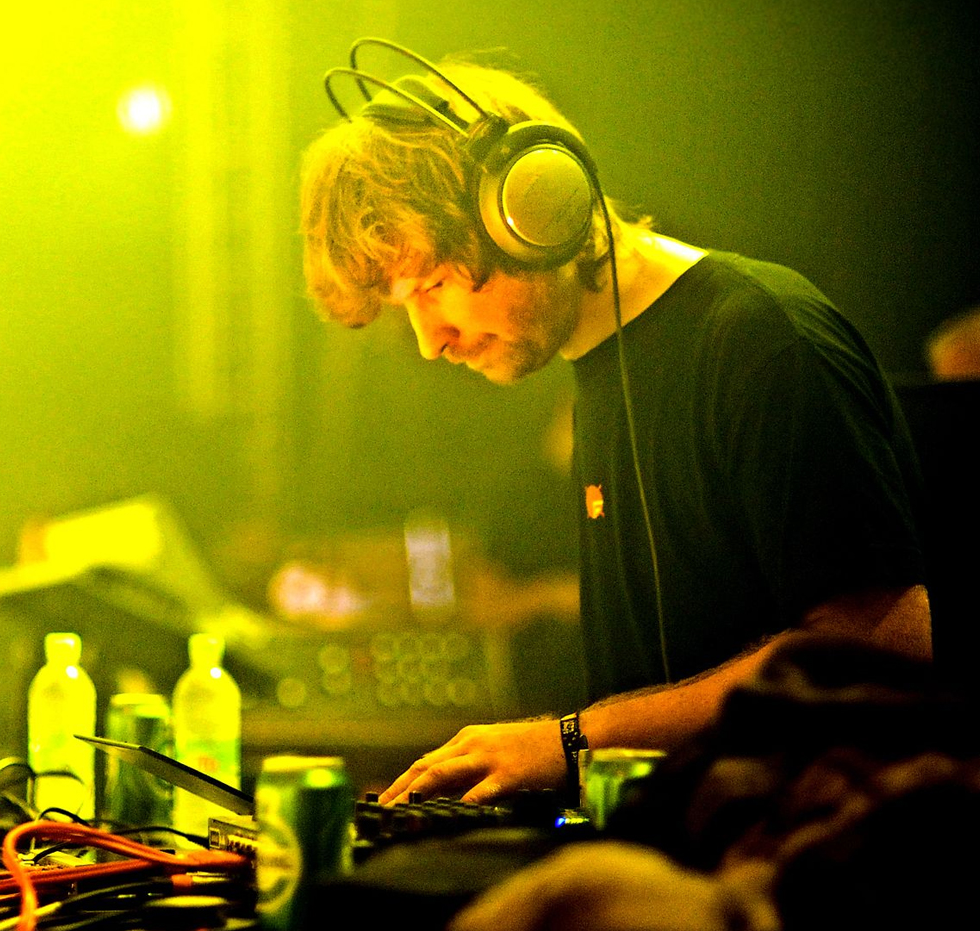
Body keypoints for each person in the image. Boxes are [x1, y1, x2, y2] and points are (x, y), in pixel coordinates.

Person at [300, 46, 931, 807]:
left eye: (433, 284)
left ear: (535, 211)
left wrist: (572, 740)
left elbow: (884, 645)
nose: (430, 340)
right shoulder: (600, 375)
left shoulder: (762, 341)